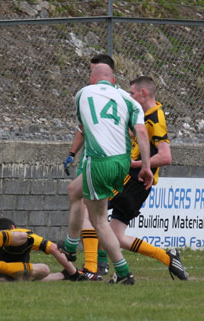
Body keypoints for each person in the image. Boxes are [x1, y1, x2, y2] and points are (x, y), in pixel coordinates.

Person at [60, 64, 153, 285]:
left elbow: (83, 127)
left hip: (99, 161)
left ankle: (123, 273)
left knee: (98, 220)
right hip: (122, 163)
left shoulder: (83, 93)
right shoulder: (127, 99)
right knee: (74, 190)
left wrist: (73, 153)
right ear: (113, 80)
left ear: (92, 79)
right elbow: (139, 131)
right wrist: (146, 167)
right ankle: (71, 247)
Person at [107, 76, 187, 280]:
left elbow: (165, 156)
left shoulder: (155, 118)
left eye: (132, 93)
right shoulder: (145, 114)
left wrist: (135, 164)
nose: (131, 96)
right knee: (116, 236)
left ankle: (95, 268)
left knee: (89, 205)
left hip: (134, 180)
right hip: (136, 182)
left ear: (143, 93)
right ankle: (168, 258)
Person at [62, 54, 118, 279]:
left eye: (94, 72)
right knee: (92, 211)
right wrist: (72, 153)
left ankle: (94, 264)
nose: (91, 77)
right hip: (89, 161)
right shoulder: (89, 95)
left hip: (107, 163)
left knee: (98, 214)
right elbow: (83, 128)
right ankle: (94, 262)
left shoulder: (120, 98)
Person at [0, 218, 84, 281]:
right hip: (10, 271)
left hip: (7, 274)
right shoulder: (24, 234)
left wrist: (63, 275)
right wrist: (74, 273)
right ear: (13, 227)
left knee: (42, 271)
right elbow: (53, 248)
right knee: (24, 237)